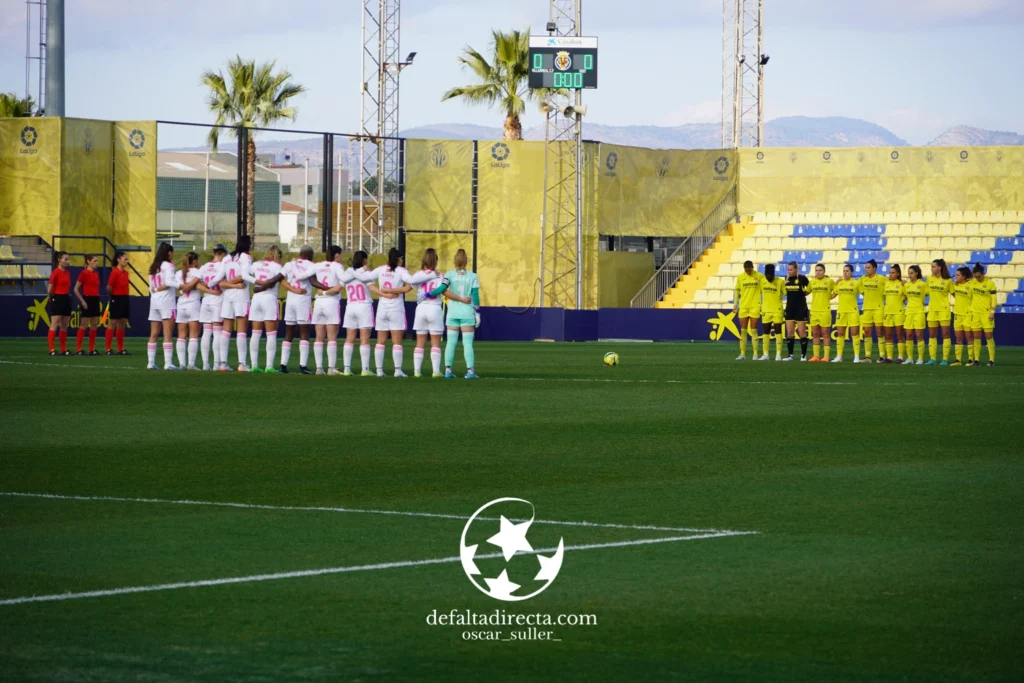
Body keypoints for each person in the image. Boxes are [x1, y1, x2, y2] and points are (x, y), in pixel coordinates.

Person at [353, 248, 417, 377]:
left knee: (380, 341)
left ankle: (379, 370)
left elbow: (365, 277)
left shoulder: (380, 269)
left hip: (382, 308)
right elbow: (411, 283)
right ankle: (397, 370)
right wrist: (394, 290)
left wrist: (359, 270)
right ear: (399, 259)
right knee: (397, 341)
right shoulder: (401, 271)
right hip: (396, 308)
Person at [260, 245, 321, 374]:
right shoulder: (311, 265)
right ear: (310, 255)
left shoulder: (288, 264)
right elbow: (313, 281)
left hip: (290, 301)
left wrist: (260, 287)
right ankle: (302, 366)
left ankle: (283, 365)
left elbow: (277, 279)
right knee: (304, 331)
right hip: (303, 300)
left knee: (289, 331)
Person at [426, 248, 480, 379]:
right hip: (467, 313)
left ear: (455, 261)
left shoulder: (449, 275)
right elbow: (475, 295)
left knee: (451, 343)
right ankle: (470, 371)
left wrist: (427, 294)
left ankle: (448, 370)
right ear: (466, 261)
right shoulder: (473, 276)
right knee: (467, 343)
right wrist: (477, 312)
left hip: (453, 313)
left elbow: (441, 289)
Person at [312, 245, 354, 376]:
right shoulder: (337, 267)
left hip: (318, 303)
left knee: (319, 337)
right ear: (336, 255)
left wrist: (321, 292)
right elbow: (338, 288)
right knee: (331, 337)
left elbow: (311, 279)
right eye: (340, 255)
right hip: (331, 302)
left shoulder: (318, 265)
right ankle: (331, 368)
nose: (342, 257)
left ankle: (319, 368)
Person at [244, 245, 284, 373]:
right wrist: (263, 285)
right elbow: (273, 282)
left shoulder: (256, 264)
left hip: (256, 299)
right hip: (269, 298)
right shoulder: (277, 267)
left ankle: (254, 365)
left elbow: (243, 274)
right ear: (277, 256)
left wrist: (256, 282)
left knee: (255, 333)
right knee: (271, 334)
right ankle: (269, 366)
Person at [342, 251, 380, 376]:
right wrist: (384, 294)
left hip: (351, 306)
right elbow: (372, 288)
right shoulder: (366, 273)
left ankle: (347, 369)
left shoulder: (347, 273)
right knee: (364, 339)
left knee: (349, 338)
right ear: (364, 260)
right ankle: (365, 369)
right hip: (364, 306)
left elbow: (339, 285)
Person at [218, 236, 253, 372]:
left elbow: (220, 280)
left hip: (228, 296)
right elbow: (243, 276)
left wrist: (228, 284)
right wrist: (235, 284)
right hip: (241, 295)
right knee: (241, 331)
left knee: (226, 330)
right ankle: (242, 363)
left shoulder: (227, 258)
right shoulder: (246, 257)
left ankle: (223, 363)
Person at [411, 248, 447, 376]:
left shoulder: (417, 275)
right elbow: (444, 290)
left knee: (419, 342)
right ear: (435, 261)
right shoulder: (440, 275)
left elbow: (410, 284)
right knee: (435, 343)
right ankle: (436, 371)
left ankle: (417, 371)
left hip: (421, 308)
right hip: (434, 308)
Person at [146, 241, 179, 370]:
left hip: (154, 302)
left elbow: (150, 288)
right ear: (169, 253)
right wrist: (181, 285)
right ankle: (168, 363)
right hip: (166, 302)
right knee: (167, 333)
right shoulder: (169, 266)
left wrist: (156, 290)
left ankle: (150, 363)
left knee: (153, 333)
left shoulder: (154, 266)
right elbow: (169, 282)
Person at [196, 245, 228, 371]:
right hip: (217, 301)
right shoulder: (222, 266)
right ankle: (216, 363)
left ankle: (205, 364)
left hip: (206, 301)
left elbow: (197, 283)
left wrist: (208, 290)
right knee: (218, 333)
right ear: (221, 254)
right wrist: (215, 292)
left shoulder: (204, 267)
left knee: (206, 333)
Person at [174, 251, 202, 370]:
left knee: (181, 336)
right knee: (194, 335)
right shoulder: (197, 271)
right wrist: (189, 286)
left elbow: (179, 289)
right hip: (193, 305)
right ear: (195, 261)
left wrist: (182, 291)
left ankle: (181, 363)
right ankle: (191, 364)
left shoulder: (178, 273)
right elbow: (195, 284)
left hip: (181, 305)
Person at [855, 259, 887, 363]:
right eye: (866, 267)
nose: (866, 269)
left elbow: (891, 285)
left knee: (879, 332)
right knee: (867, 332)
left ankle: (882, 356)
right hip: (867, 308)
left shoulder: (882, 279)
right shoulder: (862, 279)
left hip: (879, 308)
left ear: (875, 268)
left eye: (869, 267)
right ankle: (867, 356)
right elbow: (854, 285)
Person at [732, 260, 764, 360]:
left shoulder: (759, 276)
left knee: (754, 329)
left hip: (755, 306)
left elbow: (763, 291)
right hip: (744, 306)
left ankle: (755, 354)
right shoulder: (741, 277)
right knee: (743, 330)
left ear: (752, 268)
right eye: (746, 270)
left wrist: (762, 305)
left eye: (749, 270)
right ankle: (742, 354)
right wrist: (735, 304)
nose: (748, 272)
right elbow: (737, 291)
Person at [926, 259, 954, 366]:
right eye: (931, 267)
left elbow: (955, 294)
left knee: (945, 335)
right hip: (932, 310)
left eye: (933, 267)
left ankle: (945, 359)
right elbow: (925, 293)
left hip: (944, 310)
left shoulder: (948, 281)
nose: (931, 269)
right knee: (932, 335)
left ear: (939, 268)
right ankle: (932, 359)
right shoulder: (929, 279)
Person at [969, 262, 997, 367]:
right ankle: (976, 360)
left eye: (979, 276)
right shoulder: (973, 283)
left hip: (986, 313)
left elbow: (994, 299)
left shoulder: (990, 284)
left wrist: (992, 312)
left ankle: (991, 360)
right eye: (975, 277)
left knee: (988, 336)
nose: (978, 278)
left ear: (983, 273)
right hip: (975, 313)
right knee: (976, 336)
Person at [73, 254, 102, 356]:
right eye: (94, 261)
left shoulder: (96, 273)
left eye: (97, 261)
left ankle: (91, 348)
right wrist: (82, 301)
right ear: (88, 261)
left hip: (95, 299)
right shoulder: (84, 273)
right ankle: (79, 348)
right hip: (87, 298)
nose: (96, 263)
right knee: (84, 324)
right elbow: (76, 288)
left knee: (94, 324)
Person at [807, 263, 836, 362]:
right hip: (814, 310)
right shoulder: (812, 282)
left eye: (820, 270)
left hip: (825, 311)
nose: (818, 272)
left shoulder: (829, 281)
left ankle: (826, 356)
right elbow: (806, 292)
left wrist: (831, 297)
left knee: (825, 334)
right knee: (815, 333)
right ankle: (816, 356)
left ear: (824, 271)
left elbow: (836, 290)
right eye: (816, 270)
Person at [832, 263, 861, 363]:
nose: (845, 273)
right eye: (844, 271)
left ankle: (856, 356)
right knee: (840, 333)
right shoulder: (839, 283)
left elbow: (865, 293)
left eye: (847, 271)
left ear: (851, 272)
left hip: (853, 311)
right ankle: (839, 356)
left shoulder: (856, 283)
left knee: (854, 333)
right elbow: (832, 295)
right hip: (841, 311)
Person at [782, 262, 810, 361]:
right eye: (788, 270)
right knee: (790, 332)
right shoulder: (786, 279)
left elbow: (810, 288)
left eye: (791, 269)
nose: (789, 271)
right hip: (790, 308)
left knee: (802, 332)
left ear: (796, 269)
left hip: (800, 308)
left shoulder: (803, 278)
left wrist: (804, 294)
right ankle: (790, 355)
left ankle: (803, 355)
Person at [105, 250, 131, 355]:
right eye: (125, 259)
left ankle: (120, 348)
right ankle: (108, 349)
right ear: (118, 260)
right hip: (117, 298)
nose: (126, 261)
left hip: (125, 298)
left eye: (127, 259)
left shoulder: (126, 273)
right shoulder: (114, 272)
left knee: (122, 323)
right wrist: (113, 297)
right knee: (113, 323)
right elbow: (109, 287)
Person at [46, 250, 72, 356]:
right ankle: (51, 349)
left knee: (64, 325)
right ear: (59, 260)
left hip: (66, 298)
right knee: (55, 323)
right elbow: (50, 288)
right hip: (57, 297)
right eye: (65, 259)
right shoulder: (56, 272)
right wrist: (51, 298)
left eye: (68, 259)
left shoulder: (67, 273)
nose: (67, 261)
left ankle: (63, 349)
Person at [759, 264, 786, 361]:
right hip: (766, 310)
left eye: (770, 276)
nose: (768, 277)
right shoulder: (762, 281)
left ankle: (778, 354)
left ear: (774, 274)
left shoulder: (780, 282)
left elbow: (786, 293)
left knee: (778, 331)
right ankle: (765, 354)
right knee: (766, 332)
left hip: (777, 310)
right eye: (767, 276)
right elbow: (760, 294)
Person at [882, 264, 907, 364]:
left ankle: (900, 357)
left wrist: (901, 301)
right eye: (890, 273)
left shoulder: (901, 284)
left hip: (898, 312)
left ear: (898, 274)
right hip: (888, 312)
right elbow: (883, 296)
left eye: (893, 273)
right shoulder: (886, 283)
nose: (891, 274)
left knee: (899, 335)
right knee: (888, 335)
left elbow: (906, 295)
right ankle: (889, 357)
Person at [903, 265, 928, 365]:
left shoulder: (922, 284)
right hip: (909, 311)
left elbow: (930, 294)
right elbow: (904, 297)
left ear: (917, 273)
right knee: (908, 335)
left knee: (919, 335)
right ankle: (909, 358)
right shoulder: (906, 285)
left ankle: (920, 359)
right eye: (909, 273)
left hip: (919, 311)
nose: (910, 275)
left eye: (912, 273)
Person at [950, 266, 974, 366]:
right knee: (958, 338)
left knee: (969, 338)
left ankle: (971, 360)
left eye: (958, 275)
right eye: (955, 275)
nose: (956, 277)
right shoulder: (955, 285)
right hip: (957, 314)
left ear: (964, 276)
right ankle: (958, 360)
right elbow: (954, 294)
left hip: (968, 314)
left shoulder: (971, 285)